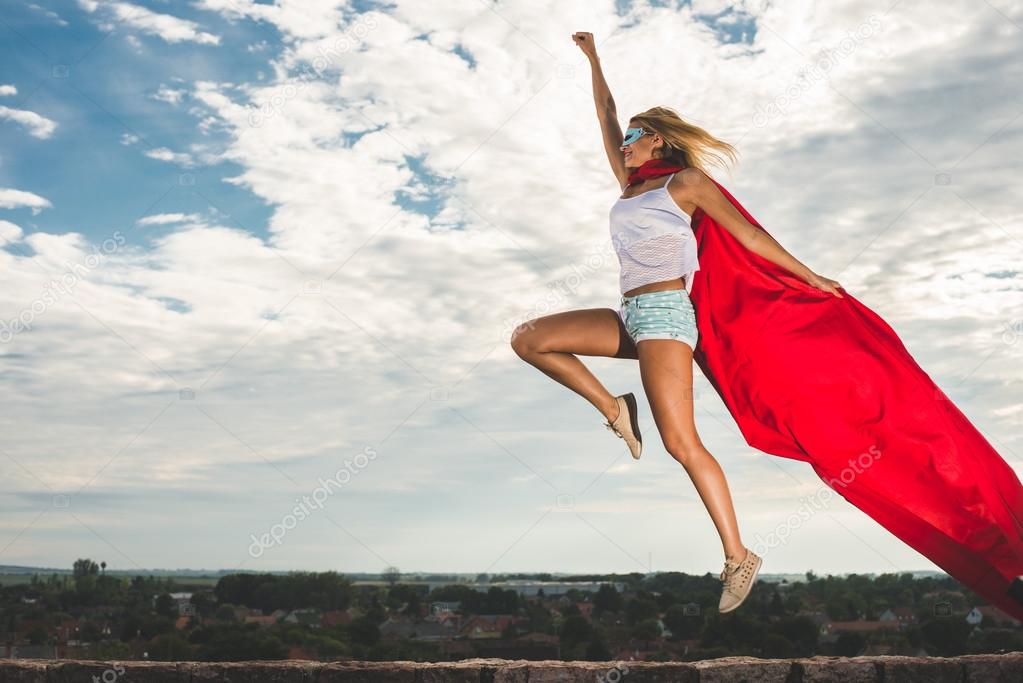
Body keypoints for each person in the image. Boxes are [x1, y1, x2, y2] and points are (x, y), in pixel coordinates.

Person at [510, 31, 843, 613]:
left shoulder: (684, 185)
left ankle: (739, 555)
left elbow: (751, 235)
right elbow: (606, 113)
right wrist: (593, 59)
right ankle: (615, 408)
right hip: (631, 314)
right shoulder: (630, 184)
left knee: (680, 442)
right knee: (530, 338)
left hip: (666, 316)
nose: (623, 145)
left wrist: (811, 276)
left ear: (656, 139)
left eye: (634, 138)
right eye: (625, 141)